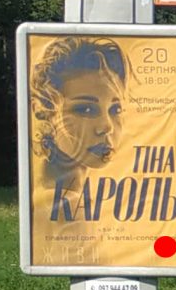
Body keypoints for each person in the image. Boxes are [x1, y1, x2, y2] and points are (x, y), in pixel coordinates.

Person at [31, 37, 128, 220]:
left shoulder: (53, 195)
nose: (107, 126)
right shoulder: (67, 208)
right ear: (43, 111)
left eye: (115, 109)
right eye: (86, 109)